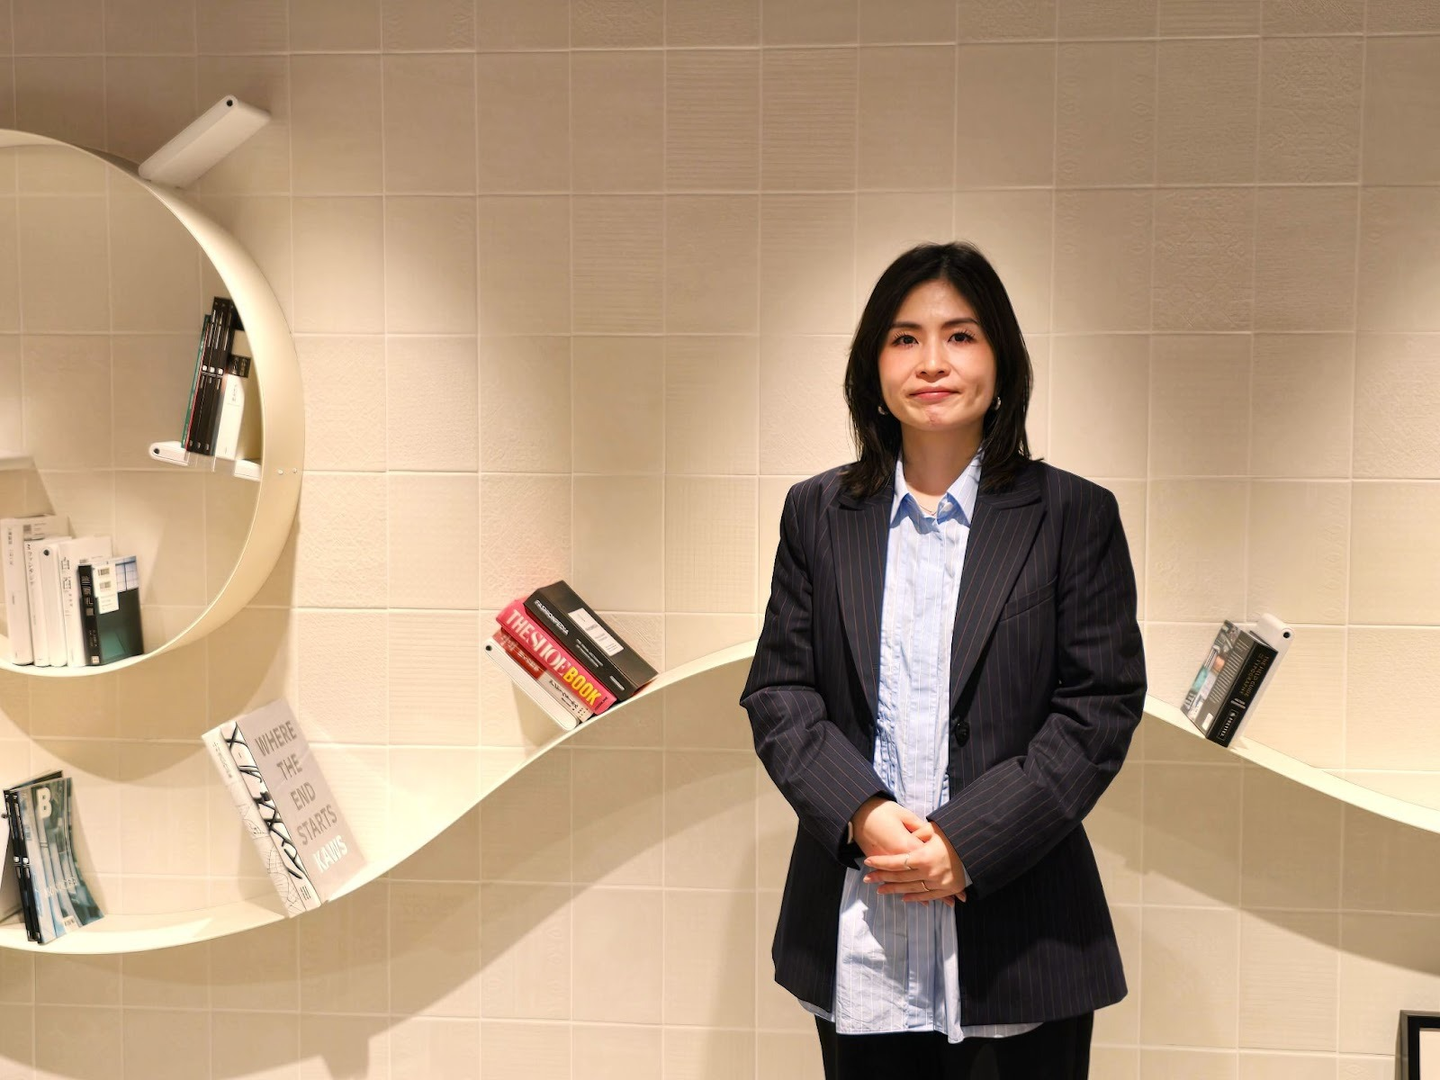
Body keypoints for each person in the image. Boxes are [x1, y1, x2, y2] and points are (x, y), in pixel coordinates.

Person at [740, 242, 1146, 1079]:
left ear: (1002, 360)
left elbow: (1098, 707)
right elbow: (781, 693)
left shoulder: (1073, 514)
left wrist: (968, 841)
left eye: (960, 336)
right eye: (904, 339)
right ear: (873, 366)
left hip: (1024, 936)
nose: (931, 362)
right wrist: (861, 814)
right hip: (859, 928)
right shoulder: (817, 512)